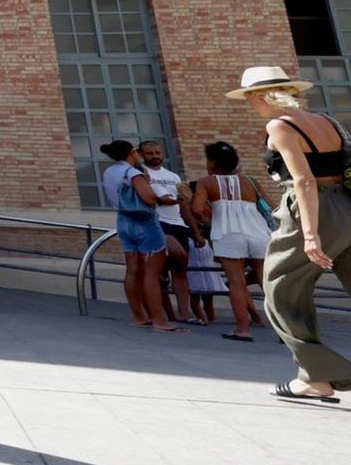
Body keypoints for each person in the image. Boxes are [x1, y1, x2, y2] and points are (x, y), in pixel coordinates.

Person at [227, 66, 351, 403]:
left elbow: (304, 180)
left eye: (249, 98)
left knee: (279, 290)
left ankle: (320, 376)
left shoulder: (279, 126)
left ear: (258, 96)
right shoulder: (327, 121)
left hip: (311, 211)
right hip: (347, 207)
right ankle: (317, 375)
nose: (251, 105)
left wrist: (310, 235)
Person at [190, 140, 272, 343]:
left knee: (237, 283)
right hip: (259, 232)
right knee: (267, 283)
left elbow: (197, 209)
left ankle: (243, 330)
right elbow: (271, 205)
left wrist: (208, 220)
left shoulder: (206, 182)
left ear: (212, 162)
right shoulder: (250, 181)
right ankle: (286, 332)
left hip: (228, 234)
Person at [101, 139, 180, 332]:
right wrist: (165, 200)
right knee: (152, 273)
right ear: (132, 152)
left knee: (132, 270)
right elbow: (149, 198)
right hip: (145, 223)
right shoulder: (133, 173)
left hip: (123, 221)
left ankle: (138, 316)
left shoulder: (110, 172)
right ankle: (158, 319)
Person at [140, 139, 192, 325]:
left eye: (157, 152)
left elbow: (184, 204)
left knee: (180, 268)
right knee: (173, 258)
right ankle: (163, 312)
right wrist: (161, 200)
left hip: (178, 223)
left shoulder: (173, 176)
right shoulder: (141, 175)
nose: (155, 156)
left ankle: (183, 312)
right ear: (141, 155)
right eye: (150, 153)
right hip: (158, 222)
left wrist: (194, 230)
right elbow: (146, 198)